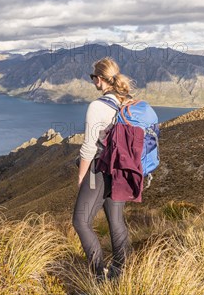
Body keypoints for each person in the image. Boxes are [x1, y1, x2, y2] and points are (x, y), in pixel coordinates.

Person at [73, 56, 134, 281]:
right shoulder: (126, 102)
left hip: (99, 171)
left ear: (99, 79)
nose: (93, 82)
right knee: (116, 220)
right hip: (121, 171)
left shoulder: (97, 106)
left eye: (93, 78)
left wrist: (81, 176)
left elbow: (89, 147)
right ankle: (119, 272)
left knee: (80, 221)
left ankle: (99, 274)